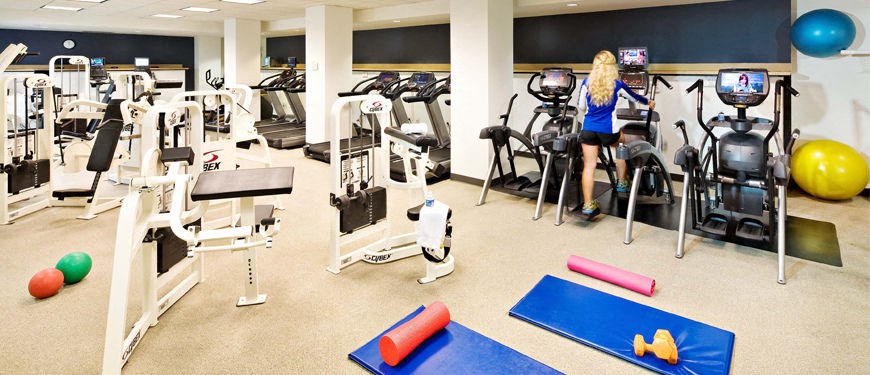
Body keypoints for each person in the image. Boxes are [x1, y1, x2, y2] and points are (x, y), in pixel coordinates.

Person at [576, 50, 655, 217]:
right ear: (612, 66)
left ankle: (588, 205)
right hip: (608, 131)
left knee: (589, 166)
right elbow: (635, 98)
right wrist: (649, 102)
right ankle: (621, 182)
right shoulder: (617, 84)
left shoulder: (585, 83)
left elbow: (581, 106)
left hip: (588, 130)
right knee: (621, 144)